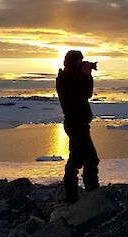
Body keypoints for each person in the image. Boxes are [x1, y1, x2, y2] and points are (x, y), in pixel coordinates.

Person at [56, 50, 100, 203]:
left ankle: (73, 196)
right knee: (90, 159)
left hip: (78, 124)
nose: (82, 62)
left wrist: (84, 74)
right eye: (79, 60)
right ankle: (91, 193)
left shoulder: (71, 77)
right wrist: (87, 75)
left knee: (76, 160)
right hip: (75, 124)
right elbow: (86, 93)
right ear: (73, 62)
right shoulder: (65, 79)